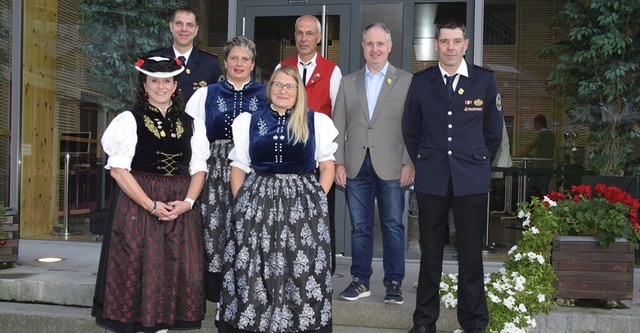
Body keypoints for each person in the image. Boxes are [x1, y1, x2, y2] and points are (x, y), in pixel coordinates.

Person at [91, 55, 211, 333]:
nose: (161, 86)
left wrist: (188, 203)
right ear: (144, 85)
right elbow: (119, 170)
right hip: (138, 207)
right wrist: (150, 205)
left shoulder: (192, 123)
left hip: (179, 209)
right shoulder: (128, 120)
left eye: (167, 81)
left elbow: (199, 170)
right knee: (137, 269)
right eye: (154, 81)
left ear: (175, 85)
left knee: (174, 273)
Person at [218, 65, 337, 333]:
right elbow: (238, 165)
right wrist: (242, 202)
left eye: (289, 86)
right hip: (258, 201)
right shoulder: (248, 121)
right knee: (255, 267)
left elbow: (327, 166)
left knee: (301, 267)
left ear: (299, 92)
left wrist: (317, 200)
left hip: (302, 203)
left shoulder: (316, 121)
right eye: (278, 85)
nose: (283, 91)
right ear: (270, 88)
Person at [402, 18, 503, 333]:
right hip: (432, 178)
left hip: (470, 178)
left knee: (471, 253)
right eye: (444, 41)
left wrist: (477, 161)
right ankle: (424, 322)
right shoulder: (421, 82)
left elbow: (493, 132)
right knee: (430, 253)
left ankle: (474, 323)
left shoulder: (484, 81)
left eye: (456, 41)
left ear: (465, 44)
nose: (450, 47)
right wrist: (426, 159)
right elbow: (411, 129)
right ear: (435, 44)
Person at [333, 23, 414, 305]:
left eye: (380, 44)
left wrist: (409, 162)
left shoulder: (406, 81)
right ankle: (360, 281)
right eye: (370, 44)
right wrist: (338, 163)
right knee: (360, 227)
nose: (375, 49)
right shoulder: (348, 82)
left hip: (393, 165)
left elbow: (413, 127)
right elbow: (337, 126)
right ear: (363, 47)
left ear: (389, 47)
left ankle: (394, 282)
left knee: (392, 225)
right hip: (356, 166)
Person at [185, 36, 268, 306]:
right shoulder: (206, 94)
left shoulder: (267, 94)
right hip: (215, 169)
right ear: (226, 61)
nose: (239, 63)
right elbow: (192, 135)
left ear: (253, 64)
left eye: (245, 59)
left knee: (249, 230)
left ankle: (249, 291)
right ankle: (219, 296)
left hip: (253, 171)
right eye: (234, 58)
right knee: (216, 228)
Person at [276, 14, 343, 274]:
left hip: (318, 159)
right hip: (288, 158)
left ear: (319, 37)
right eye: (299, 33)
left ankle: (323, 268)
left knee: (321, 215)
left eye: (309, 33)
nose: (304, 38)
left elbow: (338, 114)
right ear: (294, 37)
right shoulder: (283, 66)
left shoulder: (331, 70)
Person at [148, 6, 223, 102]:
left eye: (190, 25)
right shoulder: (154, 59)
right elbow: (144, 96)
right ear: (171, 26)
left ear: (196, 30)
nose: (184, 29)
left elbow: (217, 100)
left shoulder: (210, 63)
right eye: (179, 24)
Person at [516, 114, 555, 197]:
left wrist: (517, 156)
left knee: (532, 189)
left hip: (539, 166)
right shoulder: (552, 135)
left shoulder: (542, 134)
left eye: (534, 124)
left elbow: (530, 146)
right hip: (549, 166)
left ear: (537, 123)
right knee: (544, 190)